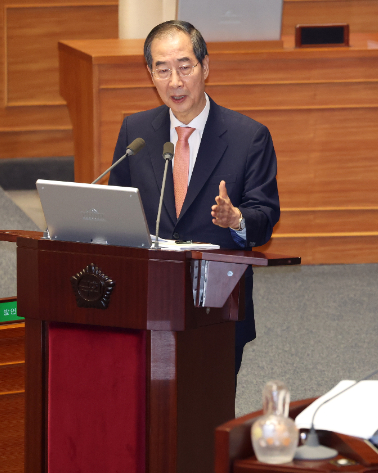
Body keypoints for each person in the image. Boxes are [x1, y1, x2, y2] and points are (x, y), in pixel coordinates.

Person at [108, 20, 280, 376]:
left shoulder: (249, 137)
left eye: (185, 66)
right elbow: (116, 209)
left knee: (206, 415)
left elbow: (265, 216)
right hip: (148, 299)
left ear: (205, 67)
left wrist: (237, 220)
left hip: (216, 304)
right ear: (150, 74)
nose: (175, 81)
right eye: (163, 69)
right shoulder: (135, 132)